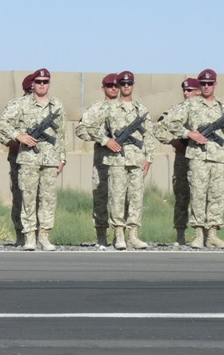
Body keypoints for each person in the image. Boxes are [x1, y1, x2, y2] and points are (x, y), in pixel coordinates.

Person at [163, 69, 224, 249]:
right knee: (197, 195)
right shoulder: (190, 105)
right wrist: (189, 134)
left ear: (215, 85)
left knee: (217, 196)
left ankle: (212, 235)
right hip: (197, 158)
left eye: (209, 83)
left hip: (218, 158)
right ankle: (197, 235)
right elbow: (171, 123)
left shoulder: (223, 107)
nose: (206, 86)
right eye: (203, 83)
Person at [0, 68, 66, 251]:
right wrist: (18, 135)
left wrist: (62, 158)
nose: (42, 84)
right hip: (28, 158)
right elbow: (2, 122)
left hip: (50, 158)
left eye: (45, 81)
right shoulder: (21, 104)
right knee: (28, 198)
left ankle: (44, 236)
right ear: (33, 84)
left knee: (48, 199)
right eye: (39, 81)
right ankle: (29, 237)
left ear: (49, 84)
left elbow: (62, 134)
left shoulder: (56, 105)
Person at [98, 71, 155, 250]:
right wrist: (106, 140)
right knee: (117, 198)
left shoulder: (141, 110)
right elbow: (89, 129)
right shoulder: (108, 108)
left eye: (129, 83)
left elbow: (149, 136)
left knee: (136, 198)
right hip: (116, 161)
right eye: (122, 83)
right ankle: (119, 235)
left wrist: (149, 159)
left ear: (133, 85)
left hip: (137, 161)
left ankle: (133, 235)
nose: (125, 86)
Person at [153, 78, 201, 246]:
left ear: (199, 91)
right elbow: (158, 127)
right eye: (185, 90)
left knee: (202, 196)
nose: (186, 93)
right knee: (182, 196)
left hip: (203, 158)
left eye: (190, 90)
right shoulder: (176, 110)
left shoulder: (208, 110)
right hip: (183, 157)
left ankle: (201, 235)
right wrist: (173, 141)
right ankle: (180, 234)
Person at [74, 73, 119, 248]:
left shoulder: (130, 109)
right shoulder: (96, 109)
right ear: (103, 88)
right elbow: (81, 130)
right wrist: (103, 139)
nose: (114, 88)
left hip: (125, 161)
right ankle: (101, 236)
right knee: (100, 198)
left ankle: (121, 235)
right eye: (110, 86)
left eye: (117, 85)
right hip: (103, 161)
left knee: (124, 199)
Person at [0, 73, 35, 247]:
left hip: (40, 159)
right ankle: (21, 234)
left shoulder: (49, 106)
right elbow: (0, 131)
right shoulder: (15, 106)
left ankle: (39, 235)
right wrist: (14, 141)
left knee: (41, 198)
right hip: (19, 159)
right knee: (20, 197)